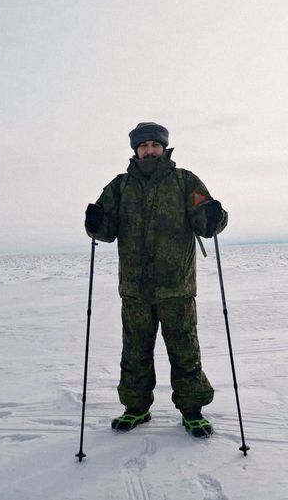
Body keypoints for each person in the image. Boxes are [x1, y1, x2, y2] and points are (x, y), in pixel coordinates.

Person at [84, 122, 227, 438]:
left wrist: (215, 216)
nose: (149, 150)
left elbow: (206, 222)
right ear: (135, 150)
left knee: (184, 349)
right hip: (135, 288)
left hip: (176, 286)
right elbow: (104, 230)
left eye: (154, 145)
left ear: (164, 148)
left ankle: (192, 411)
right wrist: (94, 221)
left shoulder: (184, 181)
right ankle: (135, 408)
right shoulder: (120, 187)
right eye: (143, 145)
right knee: (134, 350)